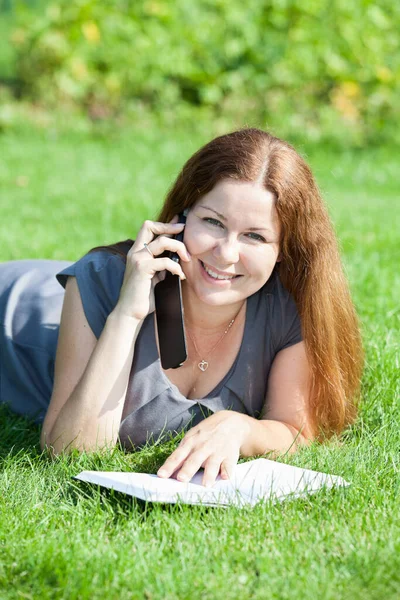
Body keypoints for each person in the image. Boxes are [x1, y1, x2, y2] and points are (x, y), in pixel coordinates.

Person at [0, 128, 364, 487]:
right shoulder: (101, 280)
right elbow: (72, 452)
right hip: (15, 310)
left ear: (284, 248)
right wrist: (126, 314)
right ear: (178, 221)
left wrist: (241, 428)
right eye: (213, 222)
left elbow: (294, 429)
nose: (226, 254)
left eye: (254, 236)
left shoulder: (287, 308)